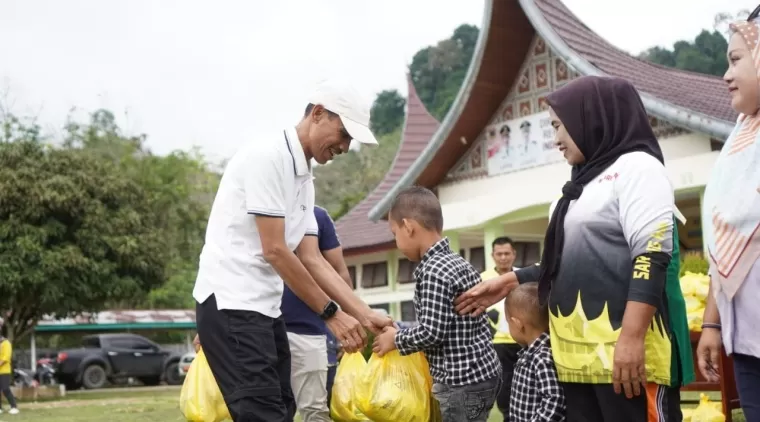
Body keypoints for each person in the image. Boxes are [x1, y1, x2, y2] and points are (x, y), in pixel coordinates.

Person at [454, 76, 684, 421]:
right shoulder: (576, 187)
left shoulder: (638, 169)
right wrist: (510, 281)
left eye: (560, 126)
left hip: (626, 360)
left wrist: (632, 338)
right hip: (577, 360)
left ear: (590, 119)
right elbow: (564, 264)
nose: (556, 139)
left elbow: (651, 257)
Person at [192, 79, 393, 421]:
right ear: (318, 114)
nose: (345, 147)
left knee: (282, 410)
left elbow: (312, 258)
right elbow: (275, 250)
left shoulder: (304, 180)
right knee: (262, 413)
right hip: (231, 303)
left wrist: (363, 312)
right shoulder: (268, 157)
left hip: (264, 309)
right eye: (344, 134)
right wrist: (331, 315)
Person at [372, 186, 501, 422]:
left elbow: (433, 332)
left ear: (409, 227)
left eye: (395, 233)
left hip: (460, 383)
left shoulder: (433, 271)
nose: (396, 242)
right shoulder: (458, 262)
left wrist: (395, 340)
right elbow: (444, 322)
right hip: (483, 373)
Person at [697, 12, 760, 420]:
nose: (725, 74)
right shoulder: (740, 139)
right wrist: (712, 325)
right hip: (749, 339)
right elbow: (725, 240)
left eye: (736, 59)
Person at [281, 205, 352, 422]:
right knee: (272, 410)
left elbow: (339, 271)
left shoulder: (316, 215)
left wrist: (350, 318)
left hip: (311, 331)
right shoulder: (256, 211)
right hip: (262, 328)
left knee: (316, 411)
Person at [506, 282, 565, 422]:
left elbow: (555, 399)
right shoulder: (529, 354)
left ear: (517, 324)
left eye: (508, 322)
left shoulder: (542, 357)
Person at [482, 237, 522, 422]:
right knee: (504, 389)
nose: (503, 257)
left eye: (507, 253)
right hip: (498, 345)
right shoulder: (482, 279)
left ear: (514, 254)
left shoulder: (524, 276)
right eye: (499, 254)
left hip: (524, 341)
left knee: (525, 385)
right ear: (493, 255)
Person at [0, 321, 19, 415]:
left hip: (4, 371)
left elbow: (5, 358)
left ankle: (14, 406)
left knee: (5, 388)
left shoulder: (6, 343)